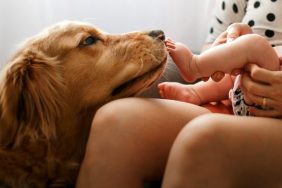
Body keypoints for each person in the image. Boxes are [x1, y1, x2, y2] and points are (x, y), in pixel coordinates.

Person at [76, 1, 282, 188]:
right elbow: (215, 48)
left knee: (205, 139)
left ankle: (195, 67)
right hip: (235, 97)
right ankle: (196, 88)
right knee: (115, 121)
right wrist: (230, 43)